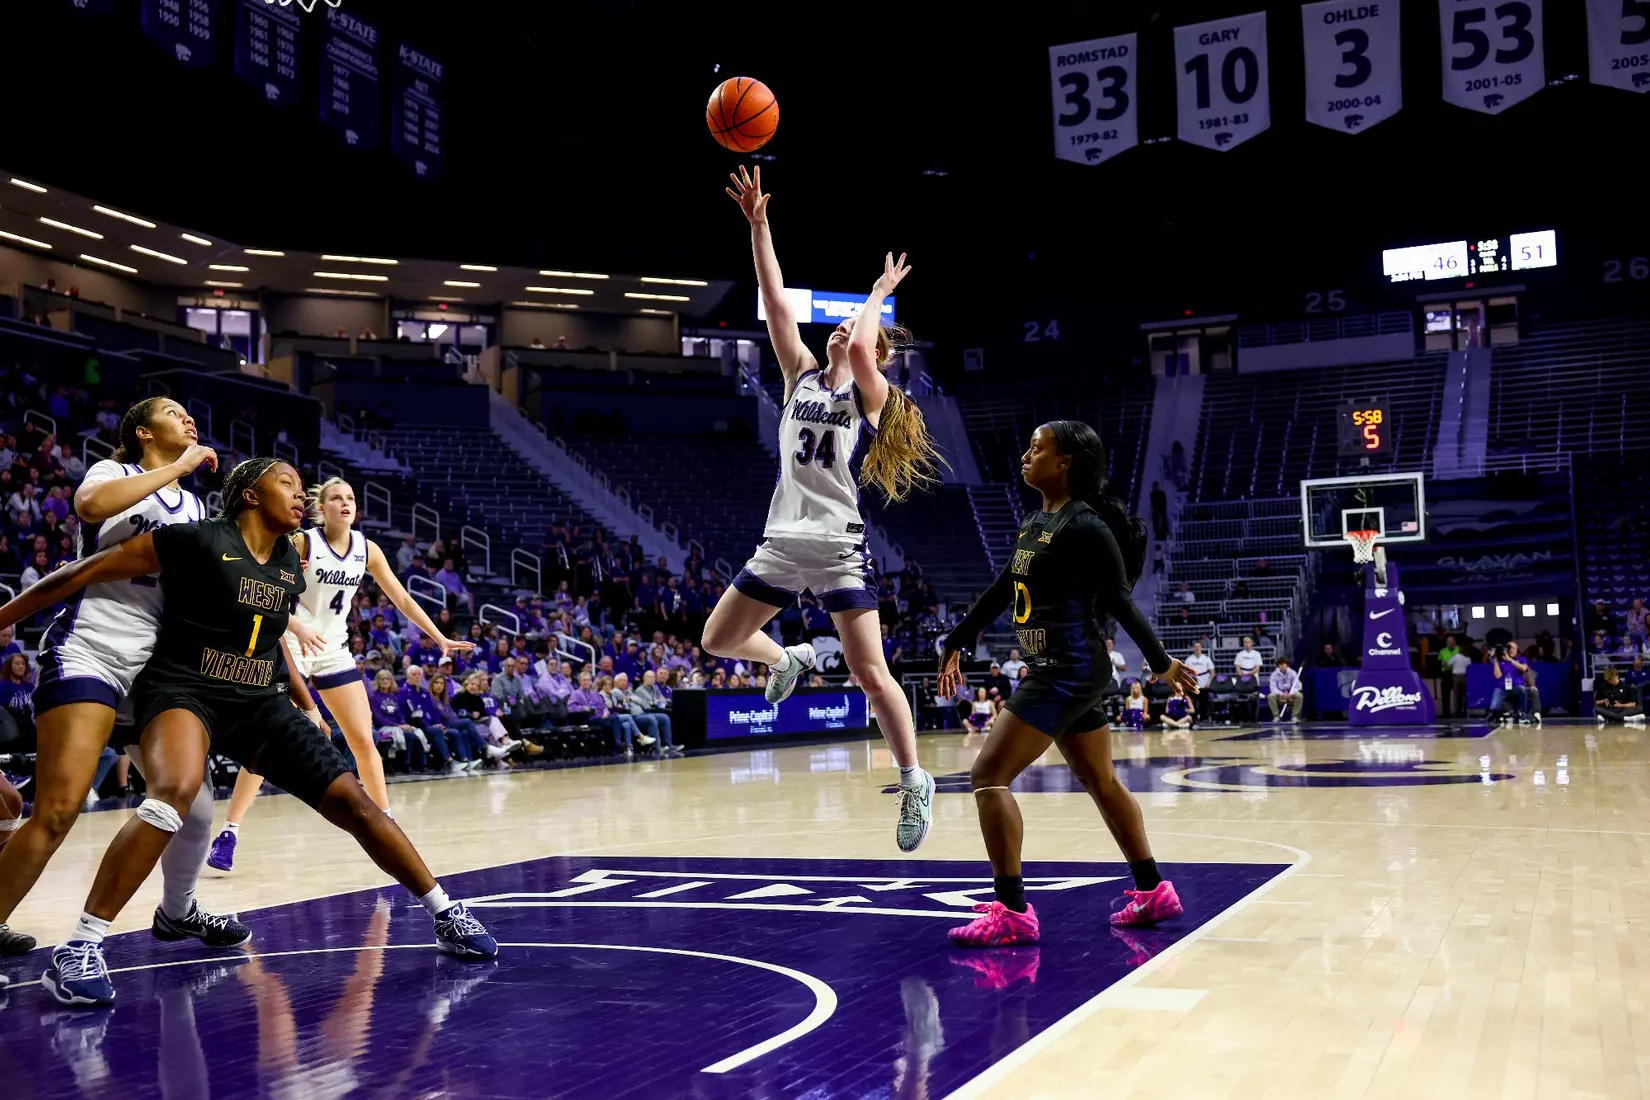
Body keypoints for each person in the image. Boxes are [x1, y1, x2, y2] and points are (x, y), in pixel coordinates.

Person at [0, 457, 496, 1006]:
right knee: (174, 794)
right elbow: (82, 571)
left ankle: (445, 910)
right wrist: (4, 618)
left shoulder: (287, 559)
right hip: (185, 689)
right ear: (251, 496)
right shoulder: (197, 539)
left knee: (352, 799)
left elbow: (272, 636)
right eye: (287, 483)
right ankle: (81, 946)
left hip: (258, 697)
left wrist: (304, 701)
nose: (301, 494)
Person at [706, 165, 942, 853]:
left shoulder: (871, 400)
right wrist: (759, 225)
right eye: (838, 326)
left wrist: (877, 293)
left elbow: (866, 343)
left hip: (838, 547)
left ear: (878, 359)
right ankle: (789, 659)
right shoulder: (800, 378)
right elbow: (775, 300)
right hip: (782, 541)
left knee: (871, 675)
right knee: (718, 640)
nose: (842, 333)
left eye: (851, 329)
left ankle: (914, 779)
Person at [0, 399, 250, 964]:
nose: (189, 419)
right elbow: (89, 507)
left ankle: (179, 910)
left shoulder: (194, 507)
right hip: (90, 647)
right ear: (143, 432)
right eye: (174, 412)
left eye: (190, 414)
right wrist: (180, 466)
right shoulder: (115, 471)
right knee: (58, 810)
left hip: (152, 666)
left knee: (193, 802)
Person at [937, 421, 1198, 948]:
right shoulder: (1037, 521)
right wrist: (958, 638)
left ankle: (1012, 910)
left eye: (1037, 448)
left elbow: (1120, 600)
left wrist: (1161, 663)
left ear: (1065, 463)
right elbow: (1004, 587)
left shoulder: (1086, 526)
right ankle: (1152, 890)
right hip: (1064, 668)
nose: (1026, 455)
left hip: (1065, 668)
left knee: (988, 776)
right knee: (1100, 779)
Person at [207, 478, 473, 872]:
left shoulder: (367, 549)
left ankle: (386, 824)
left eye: (350, 497)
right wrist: (297, 626)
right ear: (321, 507)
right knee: (267, 740)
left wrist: (439, 637)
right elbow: (263, 588)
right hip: (293, 642)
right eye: (336, 498)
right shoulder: (302, 543)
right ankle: (229, 832)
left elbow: (401, 597)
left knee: (364, 740)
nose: (345, 503)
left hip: (333, 649)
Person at [1183, 641, 1214, 723]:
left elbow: (1212, 672)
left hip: (1204, 685)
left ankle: (1204, 718)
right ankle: (1194, 718)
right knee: (1193, 702)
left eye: (1199, 646)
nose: (1197, 648)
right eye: (1195, 646)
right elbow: (1185, 673)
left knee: (1204, 702)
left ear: (1201, 648)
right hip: (1193, 685)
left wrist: (1209, 682)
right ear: (1193, 648)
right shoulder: (1189, 659)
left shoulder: (1206, 659)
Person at [1268, 656, 1303, 722]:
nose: (1283, 666)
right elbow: (1273, 688)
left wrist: (1291, 693)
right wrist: (1281, 694)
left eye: (1284, 664)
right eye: (1281, 665)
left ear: (1287, 665)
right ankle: (1276, 716)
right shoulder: (1274, 675)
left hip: (1291, 694)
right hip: (1280, 695)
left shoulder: (1292, 673)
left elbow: (1298, 686)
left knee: (1299, 696)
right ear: (1278, 666)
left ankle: (1294, 716)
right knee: (1270, 696)